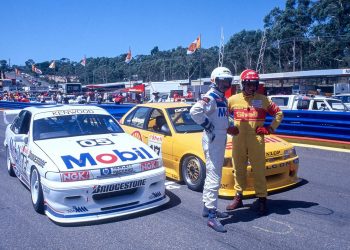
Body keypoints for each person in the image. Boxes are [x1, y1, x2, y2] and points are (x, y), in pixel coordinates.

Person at [226, 69, 283, 216]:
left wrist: (269, 128)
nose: (252, 87)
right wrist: (228, 127)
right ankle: (238, 197)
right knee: (238, 168)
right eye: (249, 84)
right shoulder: (232, 100)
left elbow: (278, 113)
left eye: (255, 84)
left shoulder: (263, 100)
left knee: (259, 170)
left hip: (256, 139)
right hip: (238, 138)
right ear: (242, 84)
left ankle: (262, 199)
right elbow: (222, 114)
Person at [190, 67, 233, 233]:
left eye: (228, 81)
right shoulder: (212, 96)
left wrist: (230, 125)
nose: (226, 84)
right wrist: (208, 126)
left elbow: (222, 117)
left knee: (213, 173)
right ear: (215, 80)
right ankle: (212, 216)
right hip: (213, 138)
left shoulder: (223, 98)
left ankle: (207, 208)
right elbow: (195, 111)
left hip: (220, 137)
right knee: (215, 175)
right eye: (223, 80)